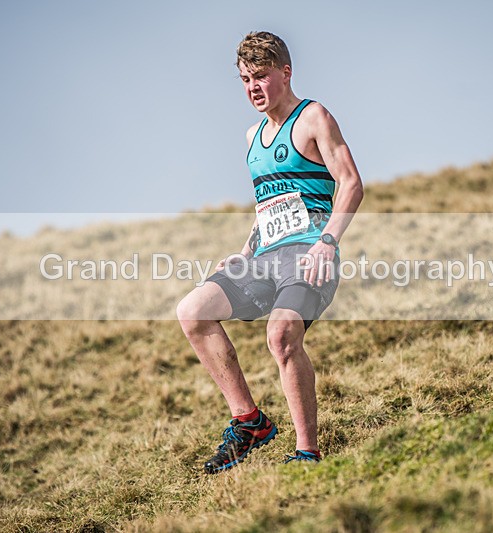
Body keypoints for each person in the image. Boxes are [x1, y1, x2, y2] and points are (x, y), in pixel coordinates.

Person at [176, 31, 364, 474]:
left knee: (281, 337)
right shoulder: (252, 136)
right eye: (244, 79)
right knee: (193, 310)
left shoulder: (313, 116)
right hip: (266, 257)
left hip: (309, 256)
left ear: (286, 72)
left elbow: (351, 183)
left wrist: (327, 242)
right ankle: (249, 421)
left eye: (260, 76)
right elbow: (269, 208)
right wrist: (243, 251)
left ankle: (307, 453)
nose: (252, 88)